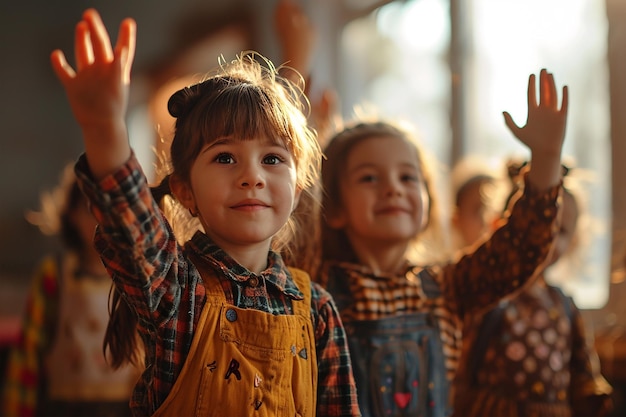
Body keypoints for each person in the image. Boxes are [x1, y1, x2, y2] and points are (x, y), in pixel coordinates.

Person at [50, 8, 360, 417]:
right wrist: (105, 126)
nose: (253, 176)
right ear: (184, 192)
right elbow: (130, 217)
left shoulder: (316, 309)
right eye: (226, 158)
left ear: (298, 184)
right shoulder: (177, 288)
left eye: (272, 159)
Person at [317, 68, 569, 417]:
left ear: (428, 202)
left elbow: (520, 249)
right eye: (369, 177)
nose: (393, 188)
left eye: (408, 176)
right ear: (334, 208)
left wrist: (547, 158)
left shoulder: (448, 286)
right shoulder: (316, 290)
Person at [453, 161, 613, 417]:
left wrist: (592, 396)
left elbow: (583, 369)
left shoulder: (564, 305)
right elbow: (460, 369)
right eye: (538, 228)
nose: (546, 240)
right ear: (501, 228)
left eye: (560, 231)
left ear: (574, 241)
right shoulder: (487, 297)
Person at [2, 164, 139, 417]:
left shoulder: (137, 278)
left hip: (124, 408)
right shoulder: (53, 275)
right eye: (90, 210)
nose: (101, 220)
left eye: (110, 210)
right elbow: (27, 356)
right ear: (72, 214)